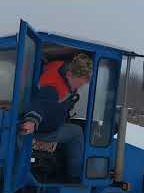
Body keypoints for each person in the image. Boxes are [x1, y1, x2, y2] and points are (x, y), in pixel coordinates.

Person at [19, 53, 93, 182]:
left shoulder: (58, 66)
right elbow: (41, 104)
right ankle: (75, 177)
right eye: (78, 84)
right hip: (43, 130)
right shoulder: (53, 86)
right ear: (69, 74)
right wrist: (32, 121)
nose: (78, 87)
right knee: (77, 132)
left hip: (48, 121)